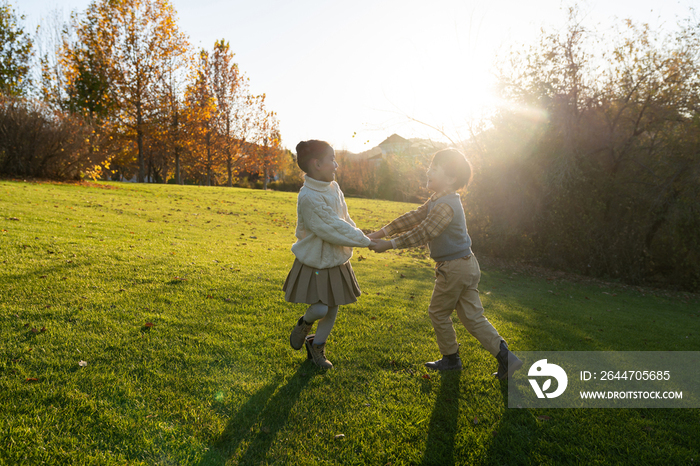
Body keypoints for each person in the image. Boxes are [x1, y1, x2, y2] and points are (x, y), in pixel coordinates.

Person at [368, 148, 522, 379]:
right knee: (473, 317)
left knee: (438, 312)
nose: (428, 171)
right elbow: (414, 216)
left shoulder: (445, 205)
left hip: (453, 268)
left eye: (434, 169)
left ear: (450, 178)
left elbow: (425, 232)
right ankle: (507, 359)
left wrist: (389, 245)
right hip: (466, 265)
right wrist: (381, 232)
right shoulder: (439, 199)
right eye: (430, 166)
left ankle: (451, 359)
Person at [283, 140, 374, 369]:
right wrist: (365, 242)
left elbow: (344, 219)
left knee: (332, 307)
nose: (336, 165)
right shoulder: (308, 197)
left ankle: (317, 347)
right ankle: (304, 323)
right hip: (315, 260)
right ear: (317, 164)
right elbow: (331, 227)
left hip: (336, 259)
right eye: (332, 160)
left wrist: (361, 235)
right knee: (321, 308)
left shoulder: (333, 187)